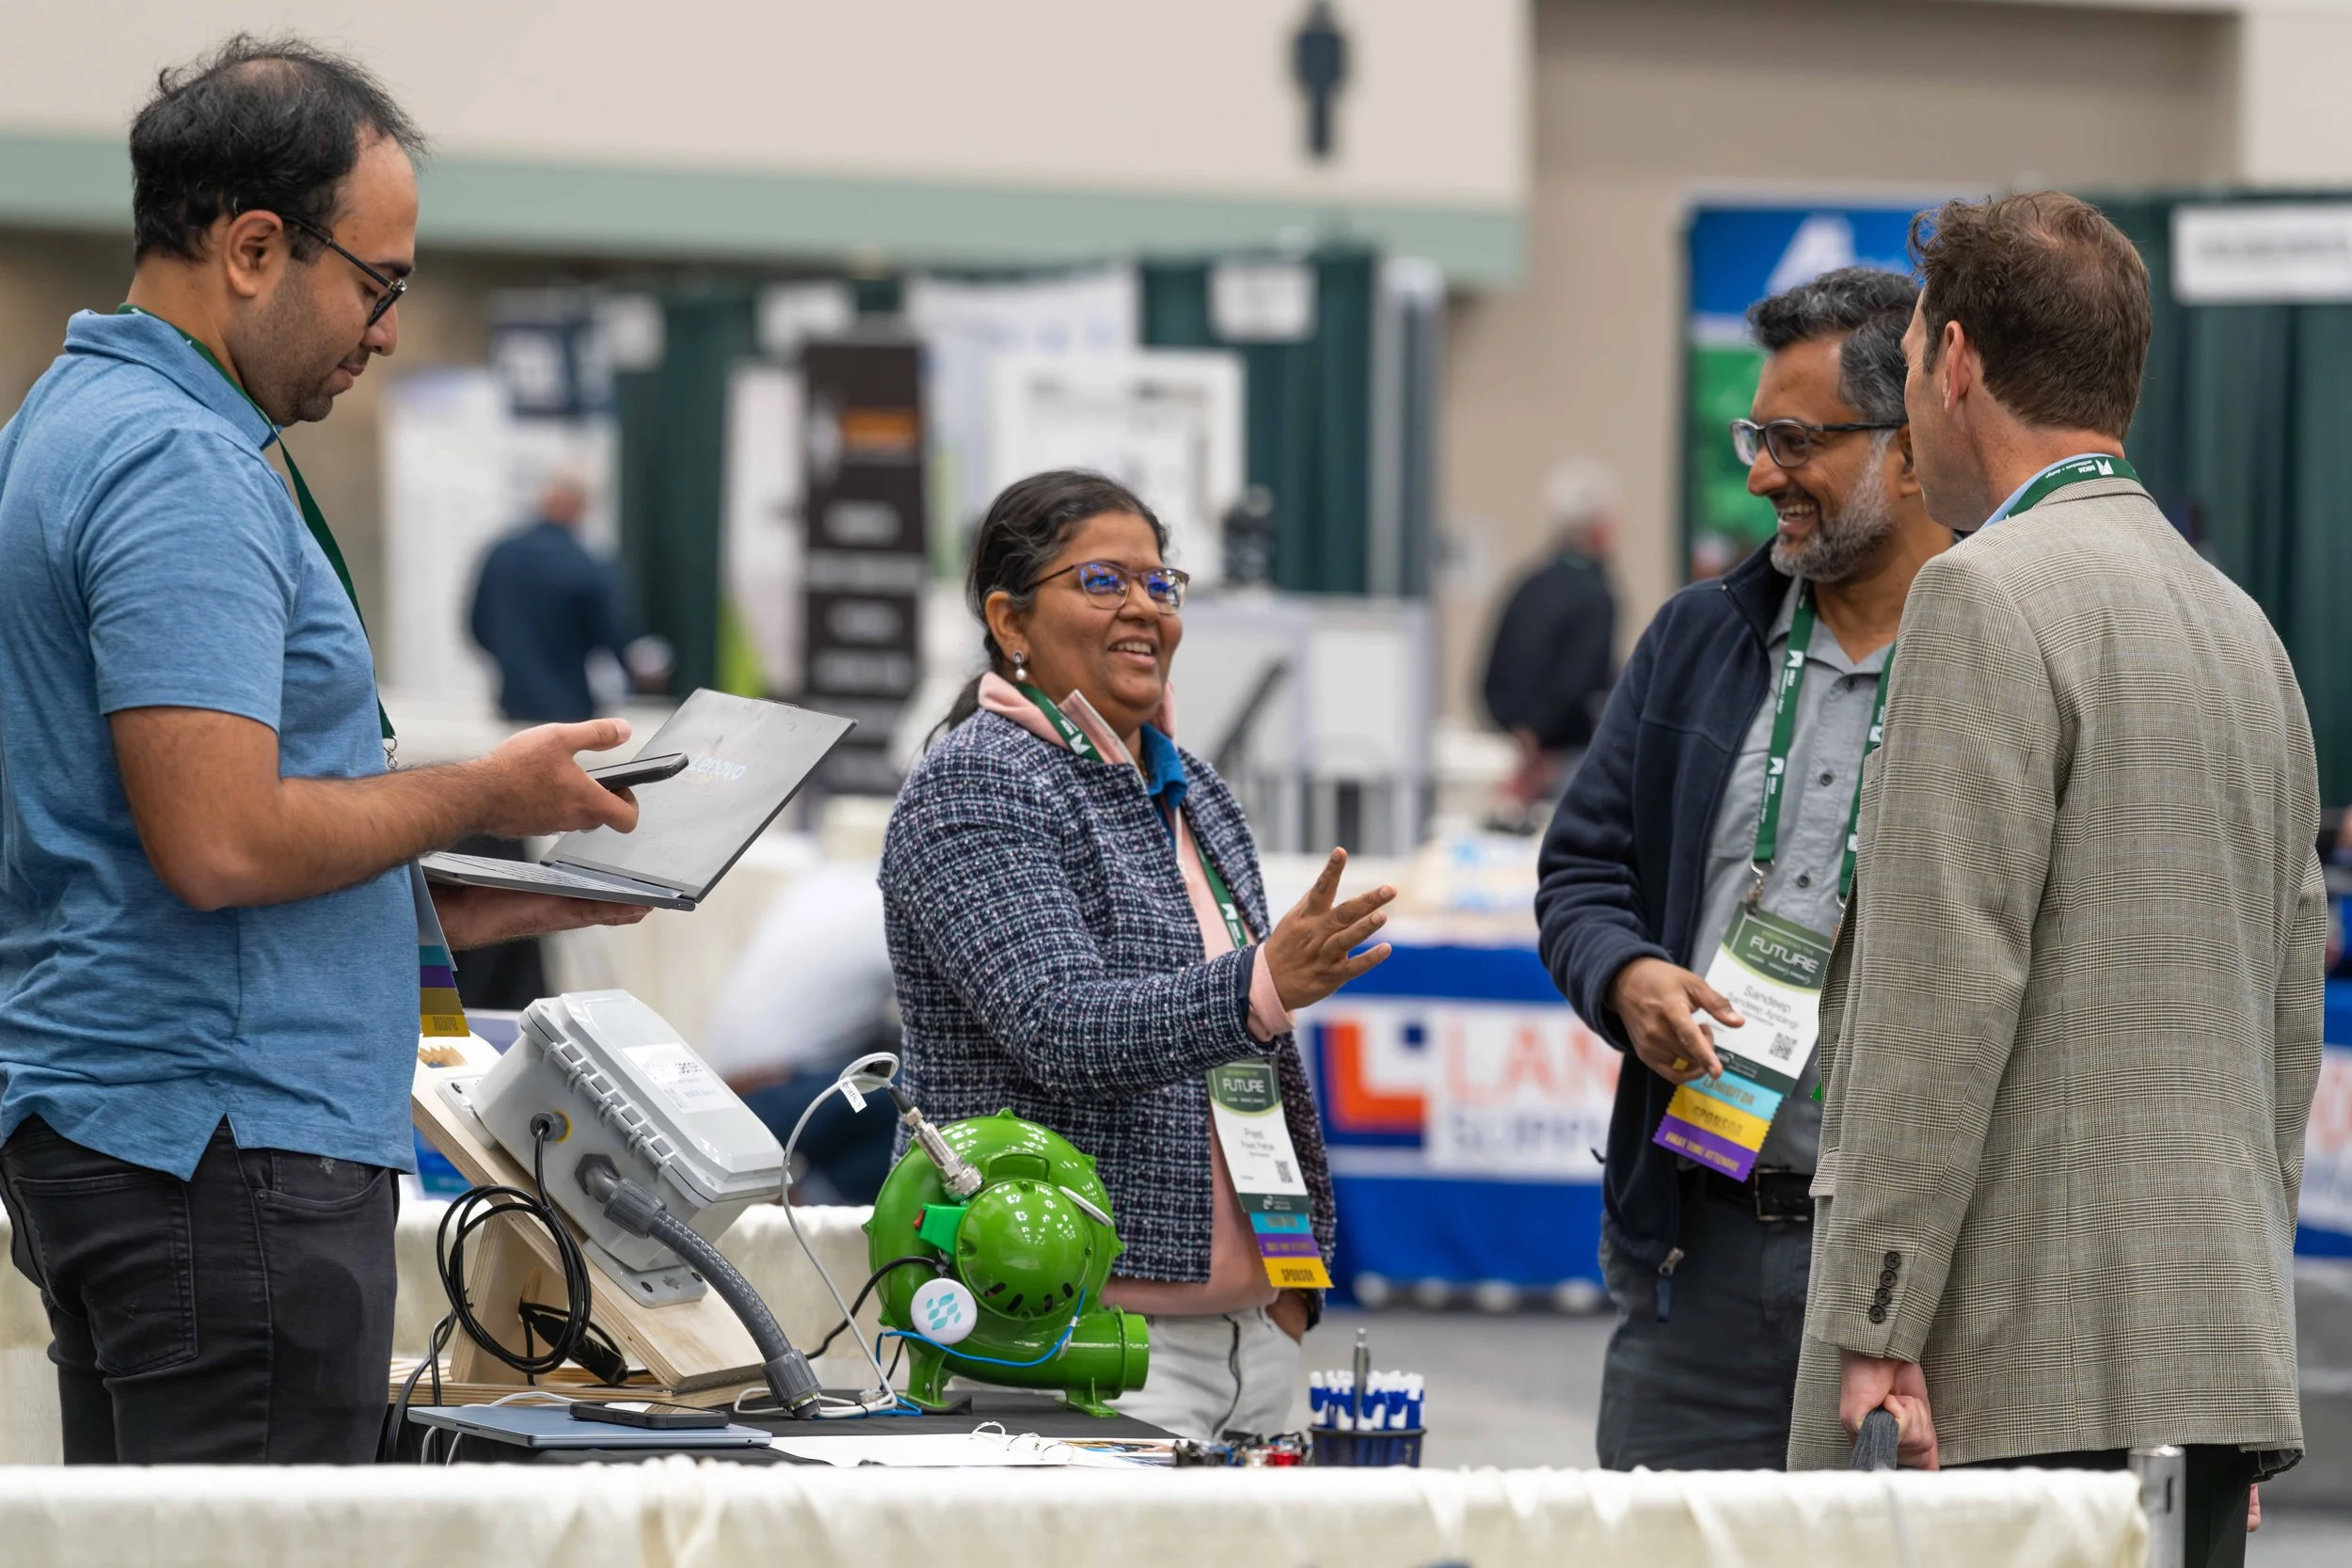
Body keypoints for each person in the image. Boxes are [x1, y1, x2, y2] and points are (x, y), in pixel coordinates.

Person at [0, 36, 653, 1465]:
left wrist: (474, 896)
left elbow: (141, 836)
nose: (388, 331)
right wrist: (479, 788)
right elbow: (221, 839)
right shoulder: (178, 462)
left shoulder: (70, 420)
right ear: (251, 247)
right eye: (380, 283)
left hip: (145, 1130)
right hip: (223, 1153)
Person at [1788, 194, 2320, 1568]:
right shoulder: (2245, 630)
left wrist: (1877, 1323)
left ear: (1955, 361)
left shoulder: (1982, 597)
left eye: (1905, 363)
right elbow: (2287, 1025)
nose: (1907, 396)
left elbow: (1939, 993)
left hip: (2008, 1376)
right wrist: (2231, 1370)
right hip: (2205, 1364)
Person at [881, 469, 1394, 1439]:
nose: (1144, 610)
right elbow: (1057, 1025)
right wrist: (1259, 985)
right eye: (1103, 581)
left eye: (1160, 584)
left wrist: (1287, 1290)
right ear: (1010, 619)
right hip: (1074, 1344)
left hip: (1249, 1340)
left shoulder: (1188, 785)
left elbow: (1251, 1065)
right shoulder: (977, 782)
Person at [1534, 267, 1947, 1469]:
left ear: (1909, 445)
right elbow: (1580, 874)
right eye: (1754, 435)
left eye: (1794, 439)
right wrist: (1625, 977)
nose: (1761, 472)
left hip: (1913, 1283)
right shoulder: (1699, 637)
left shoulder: (2000, 659)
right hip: (1694, 1255)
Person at [1481, 458, 1619, 818]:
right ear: (1599, 527)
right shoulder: (1596, 596)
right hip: (1566, 765)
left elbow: (1492, 675)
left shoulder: (1528, 584)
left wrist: (1523, 737)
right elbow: (1581, 681)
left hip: (1513, 757)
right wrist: (1543, 748)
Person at [468, 473, 633, 722]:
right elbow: (610, 633)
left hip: (513, 700)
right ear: (580, 507)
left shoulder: (501, 554)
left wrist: (513, 660)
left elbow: (478, 626)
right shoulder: (586, 562)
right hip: (572, 701)